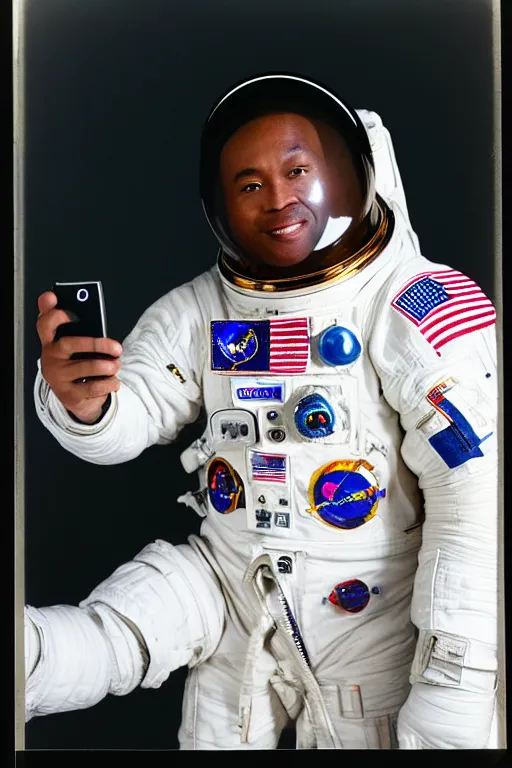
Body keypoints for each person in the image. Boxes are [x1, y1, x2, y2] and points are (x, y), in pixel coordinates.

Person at [25, 74, 499, 750]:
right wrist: (85, 402)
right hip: (230, 580)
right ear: (220, 203)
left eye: (297, 170)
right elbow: (129, 419)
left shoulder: (416, 306)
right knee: (101, 642)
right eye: (249, 185)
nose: (278, 199)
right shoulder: (203, 308)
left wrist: (455, 684)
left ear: (344, 171)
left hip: (374, 616)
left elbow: (475, 501)